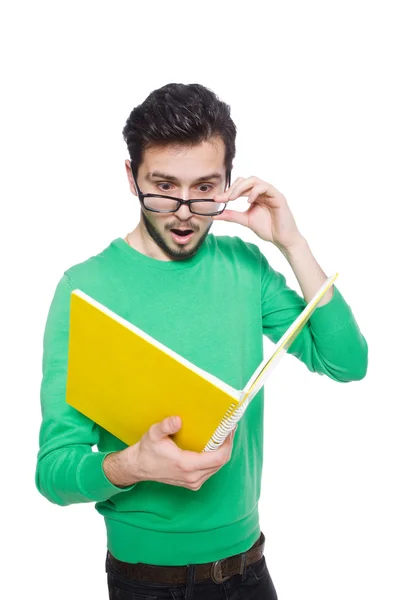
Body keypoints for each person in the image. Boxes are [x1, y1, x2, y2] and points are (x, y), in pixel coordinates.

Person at [35, 83, 368, 600]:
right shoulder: (84, 289)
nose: (185, 212)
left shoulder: (246, 269)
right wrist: (130, 466)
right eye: (164, 186)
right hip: (146, 580)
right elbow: (54, 473)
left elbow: (347, 362)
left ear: (230, 183)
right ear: (131, 177)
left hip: (250, 567)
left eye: (206, 188)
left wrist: (292, 244)